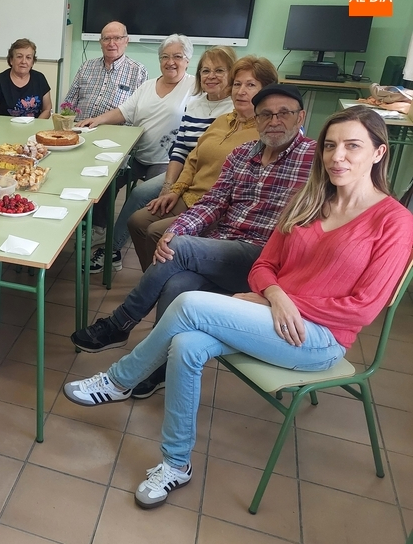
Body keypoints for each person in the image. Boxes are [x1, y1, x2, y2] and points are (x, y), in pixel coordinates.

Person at [63, 105, 413, 510]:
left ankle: (118, 380)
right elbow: (264, 264)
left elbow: (362, 309)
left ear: (378, 153)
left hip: (318, 338)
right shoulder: (309, 199)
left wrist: (281, 300)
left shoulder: (393, 221)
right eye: (330, 146)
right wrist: (275, 296)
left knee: (191, 303)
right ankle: (176, 464)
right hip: (272, 315)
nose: (337, 157)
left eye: (352, 146)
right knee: (187, 346)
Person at [71, 84, 316, 397]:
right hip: (222, 247)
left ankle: (120, 323)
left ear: (301, 117)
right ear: (256, 119)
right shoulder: (242, 155)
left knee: (179, 247)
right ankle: (159, 367)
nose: (274, 121)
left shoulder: (314, 158)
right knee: (178, 283)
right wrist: (180, 227)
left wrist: (177, 237)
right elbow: (212, 202)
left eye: (284, 113)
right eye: (266, 114)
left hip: (265, 259)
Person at [88, 45, 239, 273]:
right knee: (112, 180)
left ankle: (115, 250)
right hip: (176, 166)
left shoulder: (236, 108)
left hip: (203, 179)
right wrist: (170, 185)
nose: (211, 76)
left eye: (219, 70)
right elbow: (180, 149)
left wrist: (173, 188)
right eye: (206, 71)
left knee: (142, 199)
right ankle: (106, 240)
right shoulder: (196, 102)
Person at [126, 55, 279, 270]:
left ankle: (163, 280)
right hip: (192, 195)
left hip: (222, 208)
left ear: (267, 90)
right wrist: (174, 190)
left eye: (250, 85)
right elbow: (193, 159)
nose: (241, 91)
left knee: (157, 231)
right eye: (237, 84)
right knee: (138, 221)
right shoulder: (223, 121)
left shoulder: (267, 132)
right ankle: (155, 278)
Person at [79, 34, 197, 271]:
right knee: (104, 178)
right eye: (164, 57)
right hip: (138, 154)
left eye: (177, 57)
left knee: (138, 196)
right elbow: (124, 111)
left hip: (170, 161)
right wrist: (97, 120)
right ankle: (99, 230)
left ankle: (112, 249)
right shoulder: (147, 86)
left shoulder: (194, 87)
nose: (170, 62)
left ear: (187, 60)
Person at [63, 21, 148, 119]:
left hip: (115, 131)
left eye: (117, 38)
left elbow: (140, 112)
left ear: (126, 41)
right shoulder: (86, 66)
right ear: (101, 42)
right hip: (81, 127)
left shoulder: (138, 71)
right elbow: (69, 103)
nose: (111, 44)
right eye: (106, 39)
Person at [0, 38, 52, 119]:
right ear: (11, 60)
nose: (24, 61)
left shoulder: (40, 79)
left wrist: (36, 126)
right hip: (5, 130)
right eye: (19, 56)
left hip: (34, 129)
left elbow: (47, 109)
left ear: (32, 62)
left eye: (28, 57)